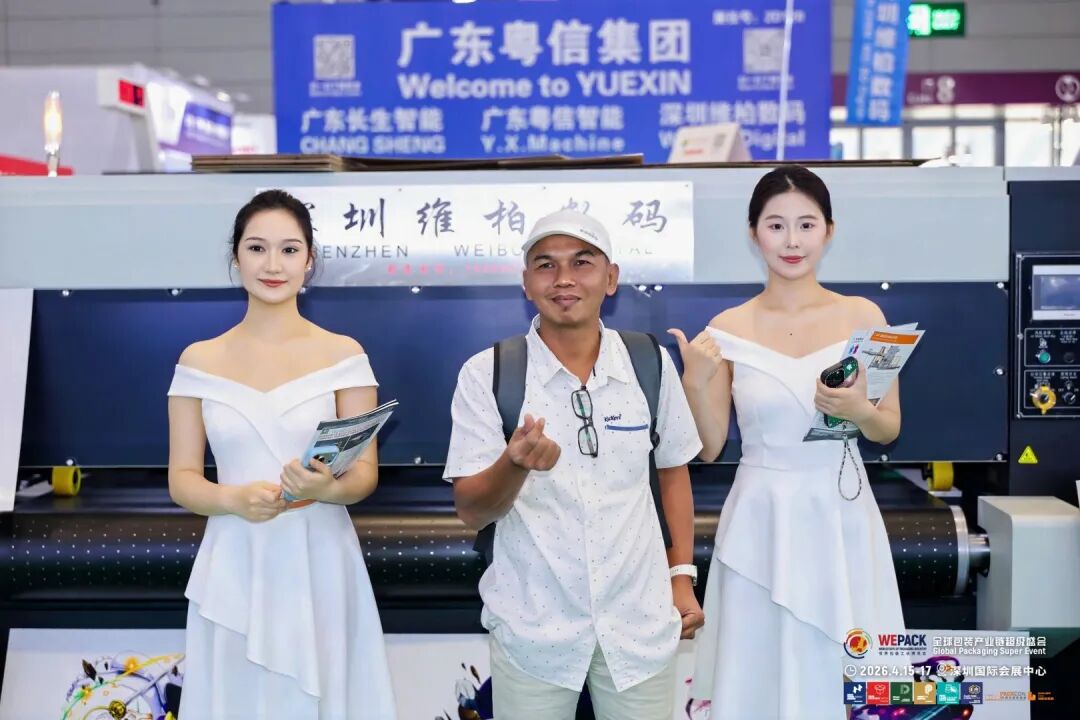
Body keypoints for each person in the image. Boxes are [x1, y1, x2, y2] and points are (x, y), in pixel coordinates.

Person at [444, 209, 704, 720]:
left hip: (638, 623)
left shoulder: (649, 363)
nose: (564, 278)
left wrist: (681, 578)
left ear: (611, 278)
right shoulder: (487, 373)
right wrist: (514, 465)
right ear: (526, 283)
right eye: (546, 265)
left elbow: (672, 474)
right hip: (533, 627)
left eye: (582, 263)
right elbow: (472, 511)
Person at [672, 166, 906, 718]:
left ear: (829, 230)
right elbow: (710, 447)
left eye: (806, 224)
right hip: (760, 516)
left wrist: (858, 411)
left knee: (840, 666)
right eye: (776, 225)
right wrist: (695, 381)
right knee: (756, 673)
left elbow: (889, 426)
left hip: (840, 513)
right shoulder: (727, 327)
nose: (792, 241)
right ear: (754, 234)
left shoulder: (863, 316)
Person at [166, 190, 396, 720]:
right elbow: (183, 478)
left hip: (320, 560)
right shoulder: (198, 361)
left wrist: (325, 488)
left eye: (289, 250)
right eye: (257, 248)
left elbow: (364, 475)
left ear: (309, 260)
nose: (273, 265)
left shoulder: (344, 355)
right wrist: (233, 499)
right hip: (234, 559)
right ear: (236, 256)